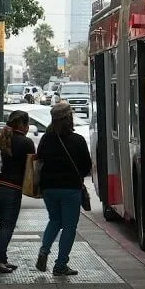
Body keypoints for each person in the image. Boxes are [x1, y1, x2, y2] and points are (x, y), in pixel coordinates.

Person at [35, 101, 91, 276]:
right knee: (69, 227)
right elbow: (86, 166)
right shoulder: (78, 140)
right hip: (70, 189)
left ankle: (44, 250)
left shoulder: (46, 139)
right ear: (69, 118)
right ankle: (60, 265)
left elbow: (39, 159)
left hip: (48, 188)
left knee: (54, 220)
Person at [0, 110, 35, 273]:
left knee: (3, 224)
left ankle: (2, 258)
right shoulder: (26, 143)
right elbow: (30, 169)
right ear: (23, 125)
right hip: (12, 190)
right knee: (7, 225)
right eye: (27, 124)